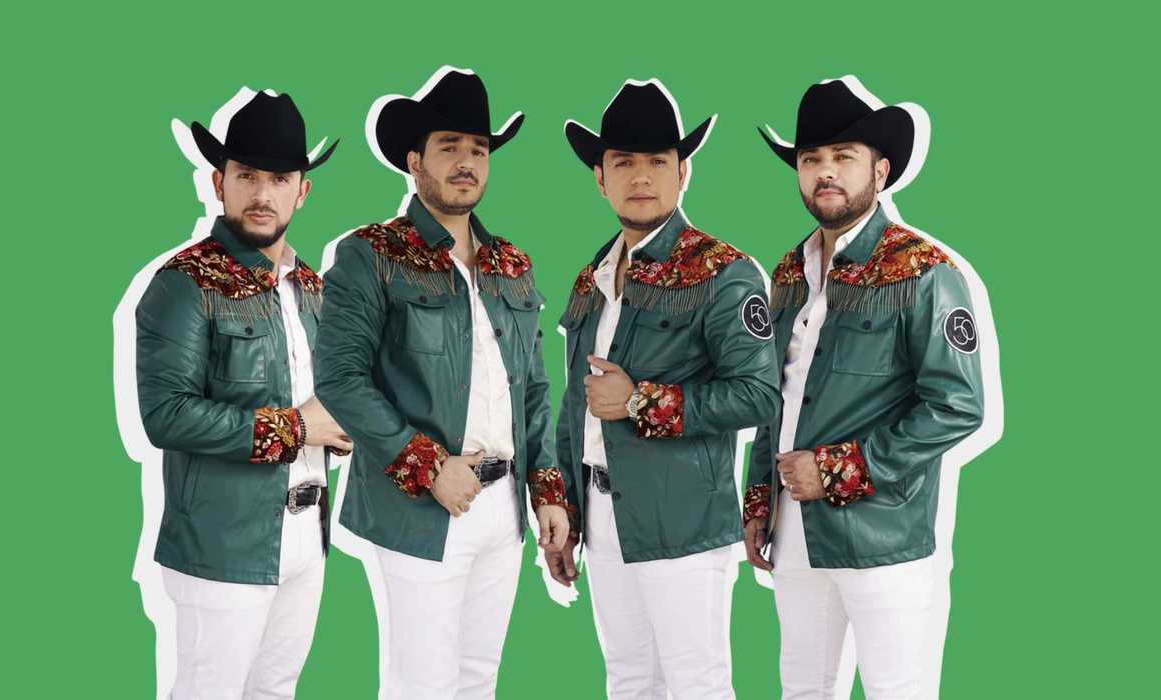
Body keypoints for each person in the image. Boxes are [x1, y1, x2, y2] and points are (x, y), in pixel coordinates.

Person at [313, 68, 570, 699]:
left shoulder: (511, 262)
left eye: (478, 150)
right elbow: (340, 380)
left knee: (478, 683)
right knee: (421, 686)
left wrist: (548, 492)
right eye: (449, 147)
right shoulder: (369, 254)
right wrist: (428, 466)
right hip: (418, 508)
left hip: (502, 508)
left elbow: (533, 389)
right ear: (413, 160)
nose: (466, 163)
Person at [745, 78, 985, 699]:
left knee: (895, 691)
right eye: (811, 159)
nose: (825, 172)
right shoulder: (789, 274)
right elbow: (776, 393)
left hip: (884, 536)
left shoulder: (925, 272)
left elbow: (958, 406)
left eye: (842, 157)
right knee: (802, 689)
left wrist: (837, 468)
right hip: (794, 534)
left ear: (880, 172)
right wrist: (757, 500)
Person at [551, 79, 780, 699]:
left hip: (683, 518)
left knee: (696, 684)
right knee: (627, 680)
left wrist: (642, 403)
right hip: (601, 515)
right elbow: (575, 407)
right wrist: (567, 506)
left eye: (658, 162)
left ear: (684, 173)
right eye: (624, 162)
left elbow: (760, 395)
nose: (641, 176)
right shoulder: (591, 276)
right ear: (600, 177)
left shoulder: (725, 272)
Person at [135, 91, 350, 699]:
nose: (262, 194)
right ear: (218, 182)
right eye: (246, 176)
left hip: (307, 538)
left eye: (279, 178)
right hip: (221, 544)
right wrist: (296, 429)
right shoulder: (182, 285)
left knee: (274, 693)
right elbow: (166, 415)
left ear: (301, 190)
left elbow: (330, 396)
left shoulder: (311, 289)